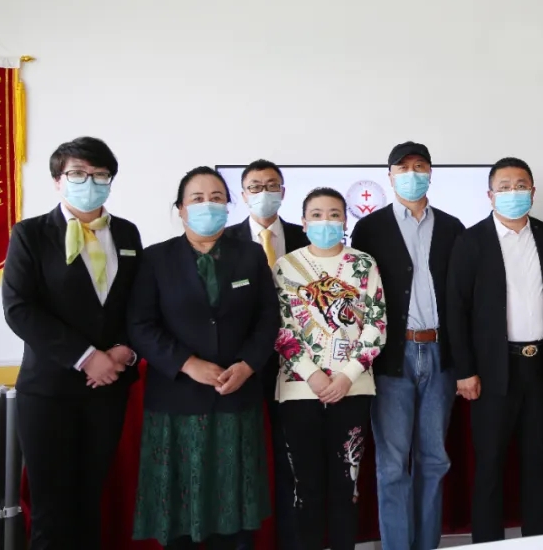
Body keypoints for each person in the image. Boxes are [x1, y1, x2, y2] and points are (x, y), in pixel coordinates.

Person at [2, 137, 143, 550]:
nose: (90, 182)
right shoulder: (30, 234)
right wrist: (84, 357)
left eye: (100, 174)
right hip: (49, 392)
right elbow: (19, 308)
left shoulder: (127, 232)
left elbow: (139, 303)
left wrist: (125, 350)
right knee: (52, 510)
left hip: (107, 391)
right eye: (78, 173)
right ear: (57, 180)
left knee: (89, 502)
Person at [128, 166, 280, 550]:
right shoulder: (156, 259)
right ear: (180, 209)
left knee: (234, 514)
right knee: (180, 514)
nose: (207, 205)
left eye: (216, 198)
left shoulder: (250, 255)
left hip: (236, 397)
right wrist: (187, 363)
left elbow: (268, 318)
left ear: (228, 205)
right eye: (197, 198)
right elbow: (140, 325)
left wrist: (247, 365)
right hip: (176, 402)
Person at [447, 157, 543, 543]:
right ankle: (487, 540)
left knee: (538, 459)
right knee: (490, 463)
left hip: (540, 364)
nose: (513, 193)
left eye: (520, 186)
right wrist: (464, 370)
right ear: (490, 195)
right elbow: (455, 310)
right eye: (504, 187)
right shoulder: (471, 241)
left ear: (533, 192)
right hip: (492, 370)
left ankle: (537, 536)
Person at [350, 141, 465, 550]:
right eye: (403, 167)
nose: (412, 174)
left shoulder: (452, 227)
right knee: (392, 464)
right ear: (390, 175)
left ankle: (427, 543)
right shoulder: (370, 228)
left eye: (420, 166)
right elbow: (358, 296)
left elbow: (462, 298)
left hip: (440, 354)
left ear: (431, 173)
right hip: (391, 358)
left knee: (434, 459)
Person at [273, 188, 387, 550]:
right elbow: (281, 328)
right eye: (317, 215)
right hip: (299, 389)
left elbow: (377, 325)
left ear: (345, 221)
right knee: (304, 486)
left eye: (334, 214)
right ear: (304, 222)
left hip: (352, 388)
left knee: (345, 484)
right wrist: (313, 375)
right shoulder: (286, 266)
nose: (326, 221)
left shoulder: (363, 264)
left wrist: (346, 375)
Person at [226, 159, 310, 550]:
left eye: (272, 185)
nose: (264, 193)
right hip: (243, 365)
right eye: (255, 186)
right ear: (243, 195)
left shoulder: (304, 237)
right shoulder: (225, 240)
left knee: (293, 461)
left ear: (283, 192)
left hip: (298, 366)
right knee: (242, 460)